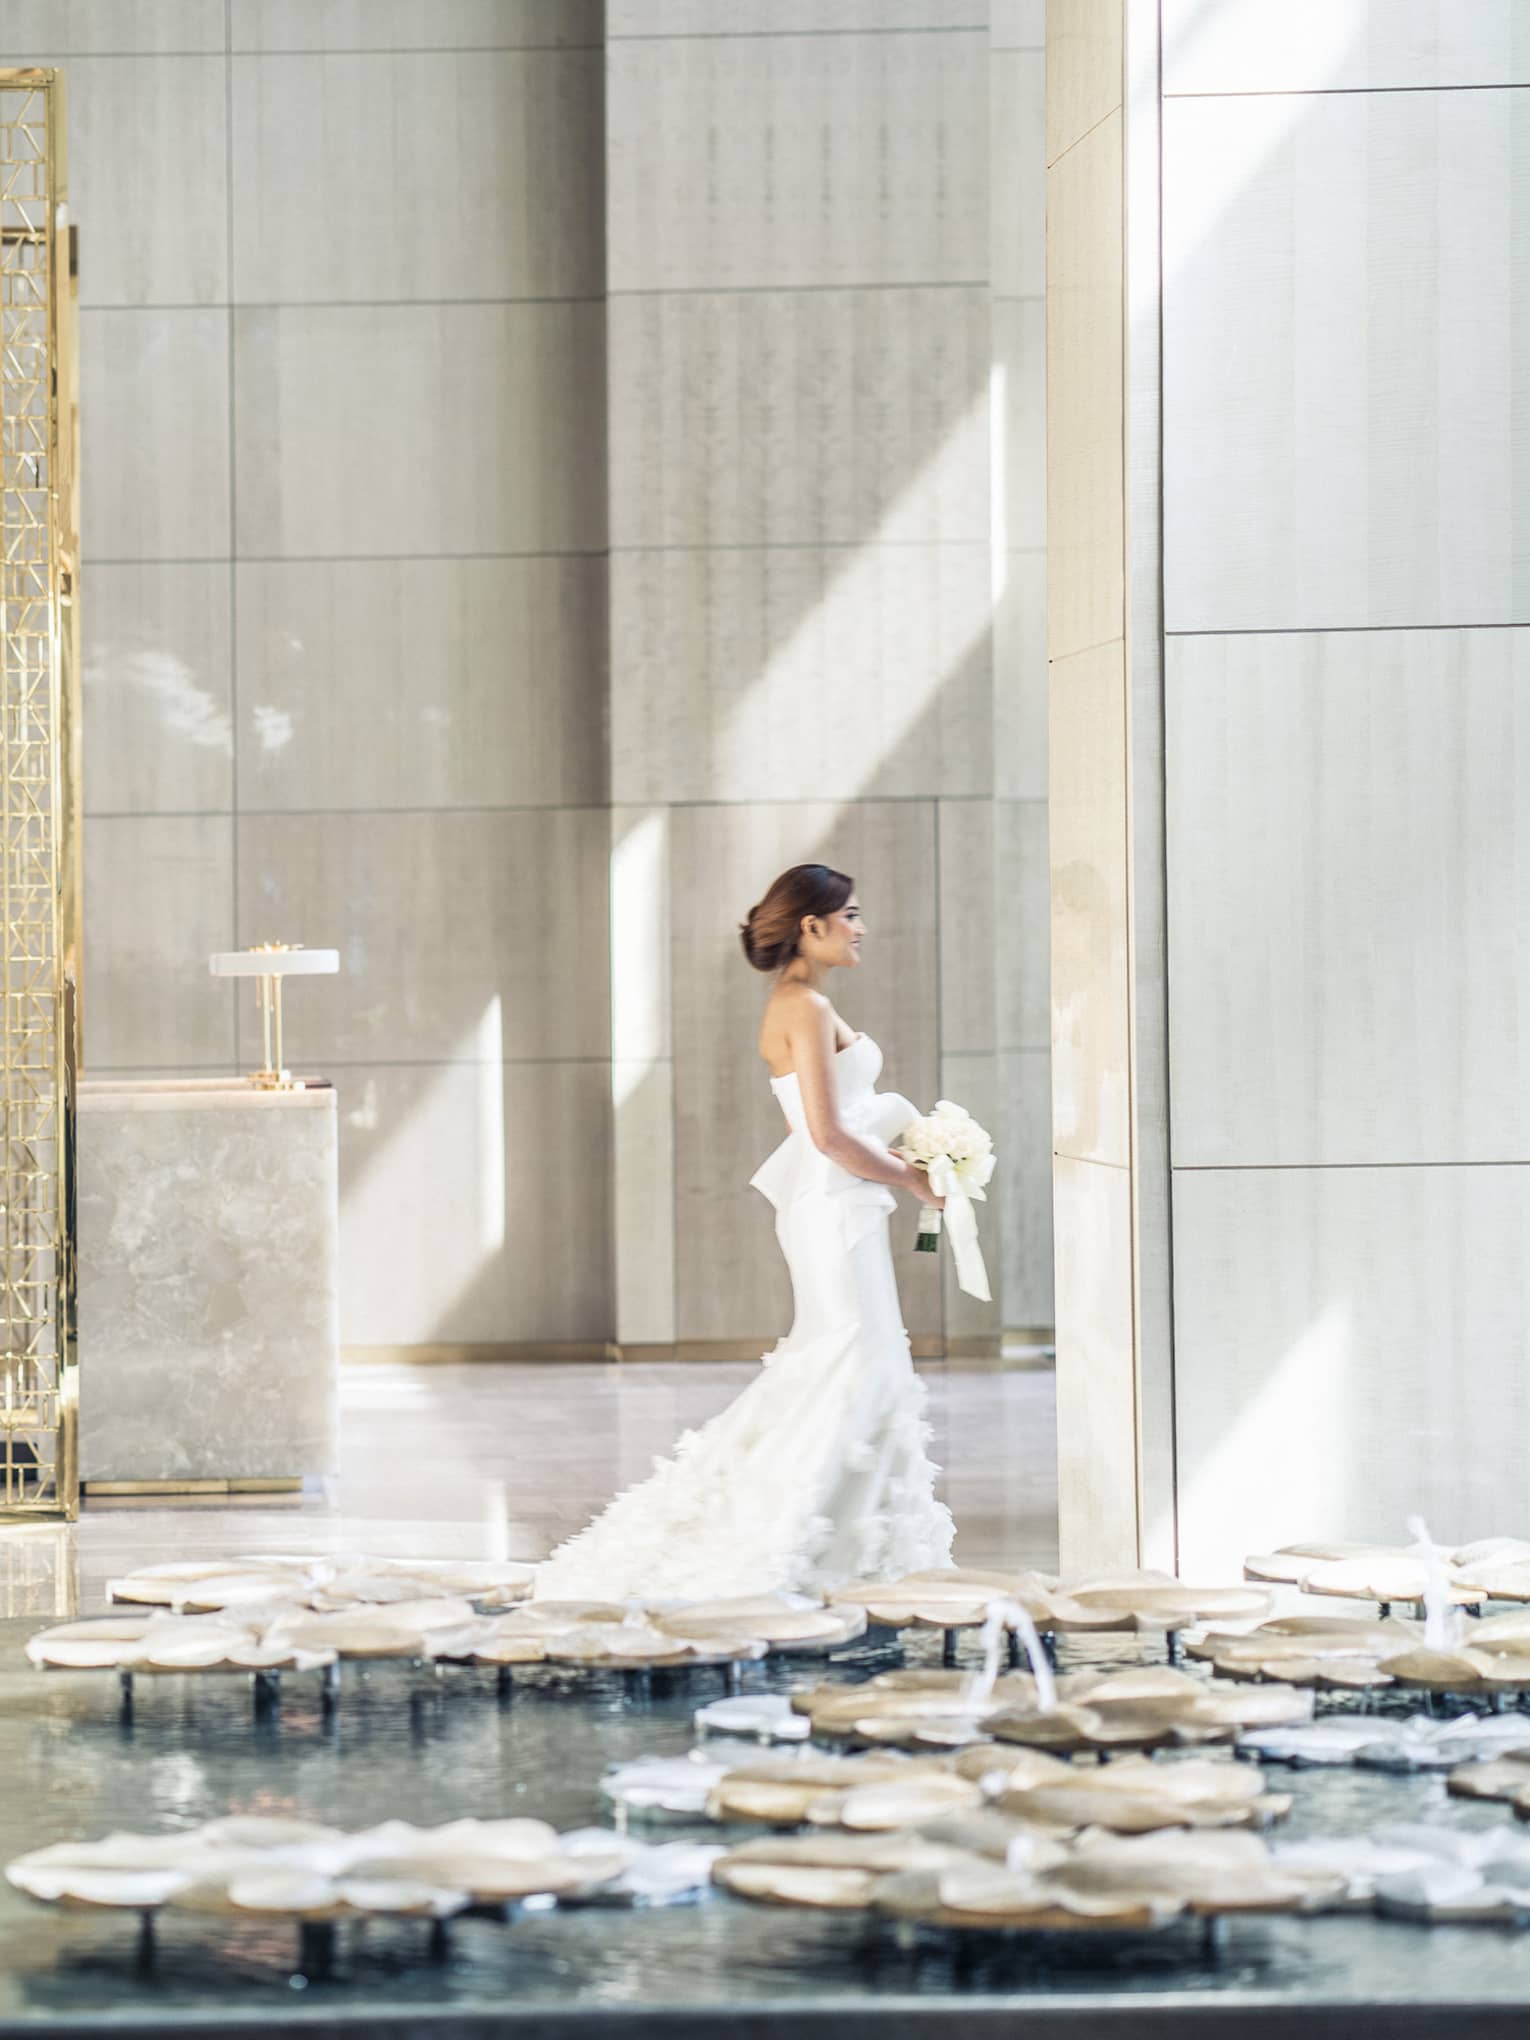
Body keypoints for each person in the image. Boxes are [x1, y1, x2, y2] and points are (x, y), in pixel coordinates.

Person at [535, 863, 956, 1602]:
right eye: (850, 916)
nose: (862, 930)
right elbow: (826, 1135)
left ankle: (855, 1540)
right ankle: (801, 1540)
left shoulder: (798, 1002)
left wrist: (911, 1148)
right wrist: (915, 1176)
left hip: (838, 1204)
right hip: (834, 1203)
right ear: (811, 926)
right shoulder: (805, 1009)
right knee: (852, 1362)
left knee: (859, 1362)